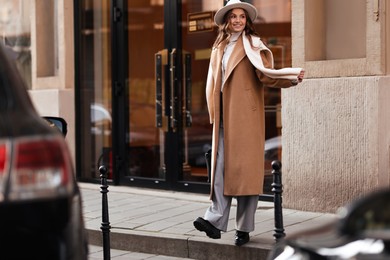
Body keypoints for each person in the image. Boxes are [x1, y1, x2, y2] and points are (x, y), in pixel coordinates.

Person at [193, 0, 305, 246]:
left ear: (247, 21)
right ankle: (214, 220)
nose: (237, 20)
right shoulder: (218, 45)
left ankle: (243, 229)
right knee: (220, 170)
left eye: (241, 17)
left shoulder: (253, 44)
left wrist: (291, 76)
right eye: (233, 16)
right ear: (226, 20)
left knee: (244, 175)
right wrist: (211, 112)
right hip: (223, 119)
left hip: (245, 117)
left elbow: (267, 75)